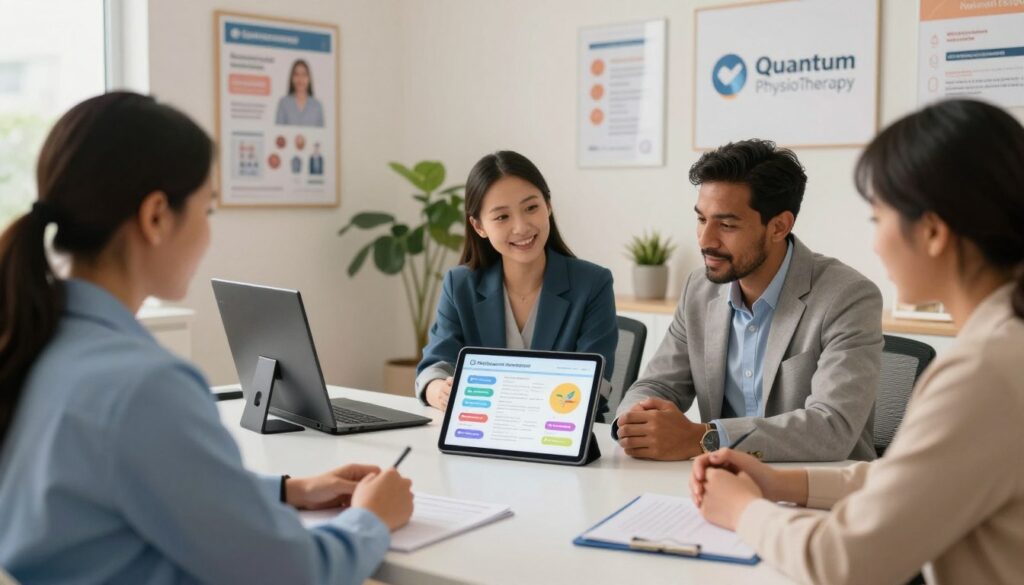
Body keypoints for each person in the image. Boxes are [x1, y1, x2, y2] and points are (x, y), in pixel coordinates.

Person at [0, 92, 413, 584]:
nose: (208, 233)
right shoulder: (145, 386)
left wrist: (288, 491)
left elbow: (131, 492)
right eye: (208, 210)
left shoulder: (30, 343)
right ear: (156, 216)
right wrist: (371, 520)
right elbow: (289, 573)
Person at [691, 99, 1024, 585]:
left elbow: (844, 560)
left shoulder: (982, 373)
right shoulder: (1003, 346)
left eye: (878, 218)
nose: (874, 242)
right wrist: (780, 481)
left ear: (932, 231)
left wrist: (743, 510)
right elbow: (914, 482)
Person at [615, 139, 883, 462]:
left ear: (779, 226)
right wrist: (633, 423)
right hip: (721, 486)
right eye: (701, 219)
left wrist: (706, 438)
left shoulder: (847, 297)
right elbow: (657, 385)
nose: (705, 240)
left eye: (726, 225)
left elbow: (832, 427)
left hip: (821, 490)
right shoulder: (698, 290)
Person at [416, 151, 617, 417]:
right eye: (502, 217)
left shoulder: (593, 283)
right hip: (482, 432)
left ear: (548, 205)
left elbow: (595, 384)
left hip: (561, 433)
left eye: (531, 207)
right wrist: (439, 390)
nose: (521, 227)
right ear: (478, 226)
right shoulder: (459, 285)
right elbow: (434, 366)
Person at [275, 59, 324, 127]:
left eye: (304, 74)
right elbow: (278, 132)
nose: (300, 79)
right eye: (296, 74)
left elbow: (322, 135)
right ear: (292, 78)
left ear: (309, 79)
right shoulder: (284, 103)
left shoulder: (317, 106)